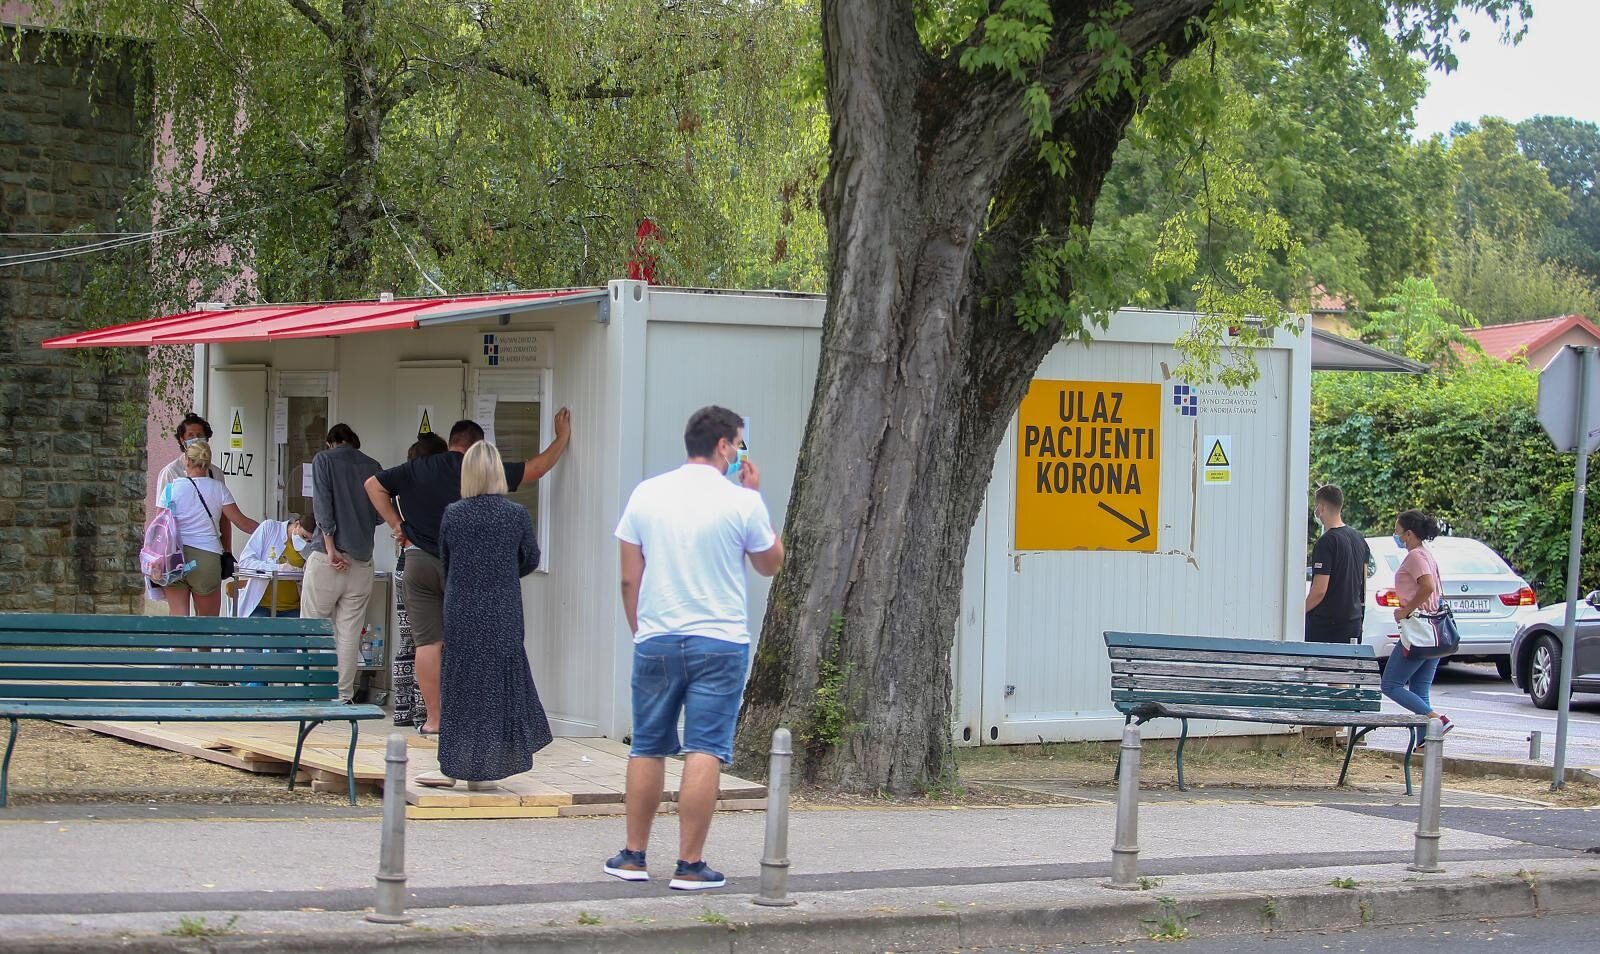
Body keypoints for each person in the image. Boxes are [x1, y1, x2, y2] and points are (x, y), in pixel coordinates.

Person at [605, 406, 784, 891]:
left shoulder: (647, 493)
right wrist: (755, 497)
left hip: (657, 636)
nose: (740, 453)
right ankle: (689, 865)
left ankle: (633, 856)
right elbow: (770, 564)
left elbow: (628, 576)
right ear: (724, 445)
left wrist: (640, 630)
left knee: (647, 746)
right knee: (704, 747)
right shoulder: (741, 502)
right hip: (720, 641)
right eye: (739, 443)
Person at [365, 411, 572, 736]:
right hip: (461, 566)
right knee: (468, 642)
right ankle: (472, 717)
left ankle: (434, 719)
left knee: (427, 643)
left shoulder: (418, 468)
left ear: (451, 443)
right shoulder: (479, 472)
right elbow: (537, 468)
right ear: (478, 447)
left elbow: (372, 485)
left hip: (417, 560)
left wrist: (397, 525)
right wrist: (561, 437)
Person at [422, 441, 552, 790]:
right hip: (503, 607)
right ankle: (491, 769)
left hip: (462, 606)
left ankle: (453, 764)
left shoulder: (454, 514)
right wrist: (505, 573)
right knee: (497, 683)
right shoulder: (516, 515)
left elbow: (446, 561)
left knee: (461, 683)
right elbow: (531, 557)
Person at [301, 424, 383, 703]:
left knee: (313, 627)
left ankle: (312, 691)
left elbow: (322, 505)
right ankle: (343, 695)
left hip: (327, 557)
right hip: (362, 560)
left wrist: (330, 546)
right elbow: (381, 515)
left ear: (331, 442)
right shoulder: (373, 466)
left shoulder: (324, 460)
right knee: (349, 632)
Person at [1380, 509, 1455, 745]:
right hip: (1435, 632)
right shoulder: (1427, 554)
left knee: (1391, 684)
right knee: (1420, 689)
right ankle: (1425, 743)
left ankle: (1436, 719)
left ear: (1409, 534)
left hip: (1419, 630)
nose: (1396, 535)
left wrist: (1405, 610)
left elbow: (1428, 586)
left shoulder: (1414, 557)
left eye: (1398, 531)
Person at [161, 440, 259, 617]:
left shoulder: (170, 490)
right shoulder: (218, 489)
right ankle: (204, 646)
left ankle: (180, 645)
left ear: (187, 461)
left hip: (173, 558)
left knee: (178, 623)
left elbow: (160, 527)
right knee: (207, 625)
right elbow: (243, 523)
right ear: (208, 462)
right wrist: (276, 529)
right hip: (206, 559)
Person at [1304, 484, 1374, 644]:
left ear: (1321, 507)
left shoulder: (1326, 542)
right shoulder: (1359, 538)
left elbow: (1319, 591)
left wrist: (1299, 612)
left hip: (1327, 626)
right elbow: (1362, 585)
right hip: (1353, 622)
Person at [156, 413, 232, 554]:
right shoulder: (171, 472)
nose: (196, 440)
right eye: (190, 436)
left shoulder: (216, 474)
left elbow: (225, 518)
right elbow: (161, 517)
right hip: (176, 548)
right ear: (182, 440)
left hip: (209, 547)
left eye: (200, 435)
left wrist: (227, 550)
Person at [232, 513, 314, 618]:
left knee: (298, 631)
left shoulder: (308, 549)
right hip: (261, 606)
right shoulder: (270, 528)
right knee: (255, 629)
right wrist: (278, 569)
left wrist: (299, 576)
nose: (305, 542)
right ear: (297, 524)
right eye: (303, 536)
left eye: (309, 541)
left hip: (293, 609)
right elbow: (244, 563)